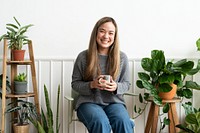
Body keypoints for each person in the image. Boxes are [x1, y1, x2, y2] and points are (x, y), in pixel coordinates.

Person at [71, 16, 134, 133]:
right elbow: (75, 84)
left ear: (115, 37)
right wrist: (92, 85)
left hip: (114, 103)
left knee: (123, 122)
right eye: (102, 31)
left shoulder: (122, 58)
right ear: (96, 33)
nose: (106, 36)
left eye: (111, 33)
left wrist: (116, 87)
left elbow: (126, 84)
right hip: (88, 102)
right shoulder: (83, 57)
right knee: (100, 122)